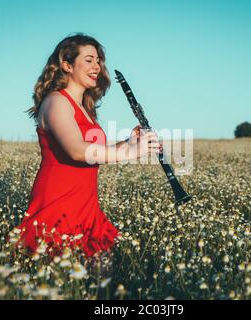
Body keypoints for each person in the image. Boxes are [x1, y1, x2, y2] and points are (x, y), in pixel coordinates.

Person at [10, 33, 160, 272]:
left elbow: (97, 151)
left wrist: (130, 143)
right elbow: (78, 151)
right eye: (88, 59)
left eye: (98, 60)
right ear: (67, 65)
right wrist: (129, 153)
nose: (97, 66)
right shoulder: (56, 102)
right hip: (58, 203)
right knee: (60, 283)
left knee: (103, 284)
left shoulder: (85, 108)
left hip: (87, 206)